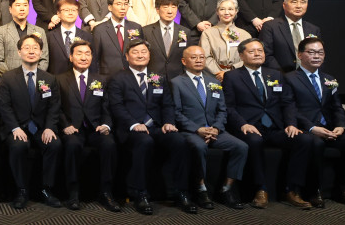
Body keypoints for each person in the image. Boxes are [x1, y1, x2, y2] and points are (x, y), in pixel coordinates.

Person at [223, 38, 313, 209]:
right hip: (249, 126)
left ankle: (292, 190)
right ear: (241, 55)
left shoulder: (276, 74)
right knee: (254, 141)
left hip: (275, 127)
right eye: (252, 51)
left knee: (305, 140)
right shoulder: (232, 76)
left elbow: (287, 102)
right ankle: (261, 189)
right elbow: (229, 107)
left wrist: (291, 123)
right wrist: (242, 124)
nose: (258, 54)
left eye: (260, 51)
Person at [107, 39, 190, 215]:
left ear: (149, 55)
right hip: (130, 129)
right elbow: (117, 107)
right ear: (127, 56)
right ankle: (140, 194)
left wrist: (168, 122)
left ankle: (181, 192)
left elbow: (167, 104)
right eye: (135, 52)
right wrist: (134, 124)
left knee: (179, 141)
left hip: (157, 127)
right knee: (144, 142)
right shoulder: (118, 78)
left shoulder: (158, 77)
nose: (140, 55)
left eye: (143, 52)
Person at [287, 37, 345, 209]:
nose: (317, 56)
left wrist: (340, 126)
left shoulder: (329, 79)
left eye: (320, 52)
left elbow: (337, 107)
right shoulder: (290, 78)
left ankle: (344, 188)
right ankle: (314, 190)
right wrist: (312, 128)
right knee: (316, 144)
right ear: (300, 55)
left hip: (329, 130)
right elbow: (291, 109)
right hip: (306, 129)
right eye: (311, 52)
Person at [171, 46, 249, 210]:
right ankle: (201, 189)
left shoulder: (214, 82)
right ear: (184, 61)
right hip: (191, 131)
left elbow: (222, 110)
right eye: (194, 57)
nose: (199, 60)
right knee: (200, 147)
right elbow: (176, 113)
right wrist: (197, 129)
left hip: (214, 130)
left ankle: (226, 189)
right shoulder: (176, 83)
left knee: (241, 146)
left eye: (201, 57)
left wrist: (216, 128)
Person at [0, 35, 62, 209]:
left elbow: (54, 107)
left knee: (54, 144)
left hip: (41, 128)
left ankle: (46, 189)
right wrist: (15, 128)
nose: (31, 51)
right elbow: (5, 107)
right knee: (18, 146)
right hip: (17, 127)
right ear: (19, 52)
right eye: (26, 48)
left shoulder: (49, 79)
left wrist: (50, 128)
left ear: (41, 52)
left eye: (35, 48)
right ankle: (22, 190)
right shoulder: (8, 78)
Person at [55, 39, 118, 211]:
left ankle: (106, 193)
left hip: (96, 128)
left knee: (109, 144)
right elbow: (56, 107)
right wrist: (65, 125)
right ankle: (73, 193)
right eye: (79, 53)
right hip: (72, 128)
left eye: (87, 54)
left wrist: (106, 125)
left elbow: (107, 107)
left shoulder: (101, 79)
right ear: (71, 57)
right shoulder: (59, 79)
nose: (84, 57)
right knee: (72, 145)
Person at [260, 0, 321, 73]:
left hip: (308, 75)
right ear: (284, 5)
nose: (299, 6)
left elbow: (319, 55)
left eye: (303, 2)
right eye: (294, 2)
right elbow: (266, 55)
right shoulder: (271, 26)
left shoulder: (313, 29)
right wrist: (284, 75)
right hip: (280, 75)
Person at [0, 0, 49, 77]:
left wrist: (32, 76)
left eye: (25, 5)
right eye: (18, 5)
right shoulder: (1, 31)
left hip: (34, 79)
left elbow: (44, 59)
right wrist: (14, 78)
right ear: (10, 9)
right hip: (10, 80)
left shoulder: (40, 31)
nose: (22, 9)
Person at [91, 0, 142, 80]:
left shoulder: (136, 27)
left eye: (126, 4)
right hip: (108, 78)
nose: (123, 8)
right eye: (119, 4)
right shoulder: (99, 30)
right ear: (110, 7)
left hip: (132, 77)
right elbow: (95, 58)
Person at [200, 0, 252, 82]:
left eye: (230, 9)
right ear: (217, 12)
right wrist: (219, 73)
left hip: (239, 76)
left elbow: (248, 57)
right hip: (215, 77)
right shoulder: (207, 33)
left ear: (236, 11)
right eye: (222, 9)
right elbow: (205, 57)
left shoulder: (245, 35)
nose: (226, 13)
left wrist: (231, 72)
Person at [141, 0, 191, 81]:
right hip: (153, 79)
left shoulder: (185, 32)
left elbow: (188, 57)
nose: (170, 11)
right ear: (157, 9)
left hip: (178, 79)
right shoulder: (146, 31)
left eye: (173, 7)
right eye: (165, 7)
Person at [46, 0, 93, 76]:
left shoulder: (87, 37)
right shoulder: (49, 37)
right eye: (66, 10)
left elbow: (93, 64)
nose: (70, 13)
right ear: (58, 13)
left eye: (74, 10)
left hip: (79, 80)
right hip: (55, 79)